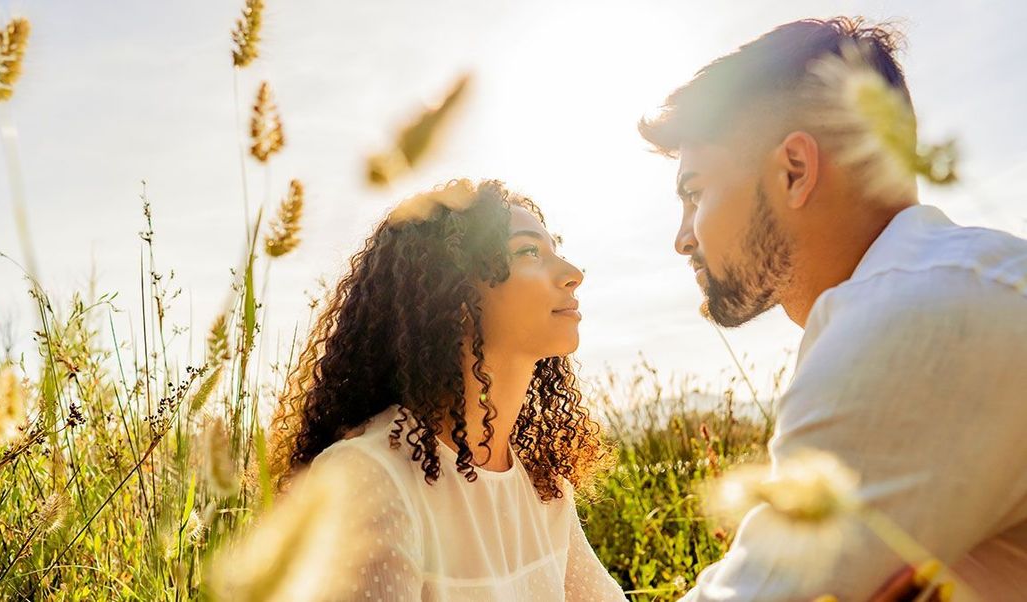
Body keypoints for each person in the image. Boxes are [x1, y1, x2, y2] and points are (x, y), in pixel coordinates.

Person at [638, 16, 1027, 600]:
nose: (684, 237)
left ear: (794, 170)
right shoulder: (939, 285)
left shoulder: (907, 316)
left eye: (694, 193)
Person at [269, 179, 628, 601]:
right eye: (530, 251)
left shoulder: (542, 485)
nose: (573, 274)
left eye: (555, 250)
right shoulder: (370, 478)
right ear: (453, 292)